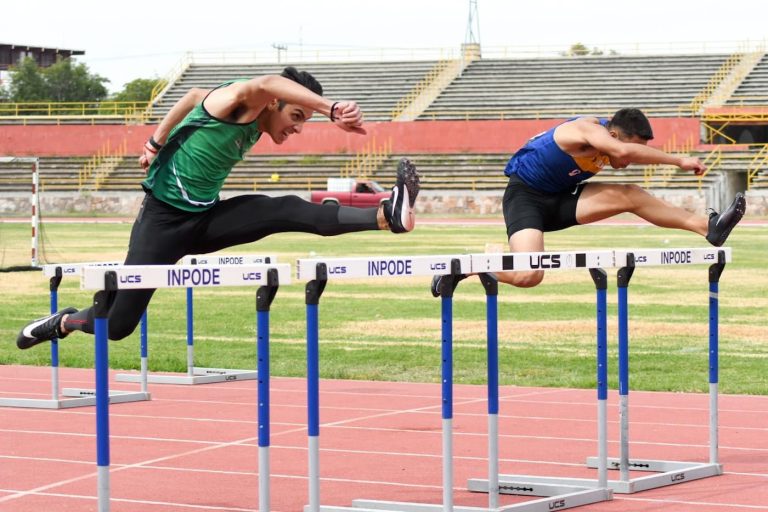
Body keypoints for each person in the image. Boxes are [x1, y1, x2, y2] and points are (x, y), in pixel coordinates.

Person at [18, 66, 420, 348]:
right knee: (119, 326)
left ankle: (387, 215)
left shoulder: (238, 107)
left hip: (206, 219)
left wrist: (156, 140)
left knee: (286, 208)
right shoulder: (240, 102)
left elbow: (192, 96)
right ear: (271, 102)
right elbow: (263, 82)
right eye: (296, 116)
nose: (297, 127)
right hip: (162, 225)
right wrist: (330, 108)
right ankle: (65, 321)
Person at [432, 108, 745, 294]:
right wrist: (678, 160)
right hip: (525, 198)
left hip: (562, 200)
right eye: (633, 149)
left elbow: (624, 153)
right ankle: (471, 265)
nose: (632, 159)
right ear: (613, 134)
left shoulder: (610, 141)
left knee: (631, 194)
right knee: (529, 276)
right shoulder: (585, 130)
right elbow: (623, 153)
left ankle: (709, 227)